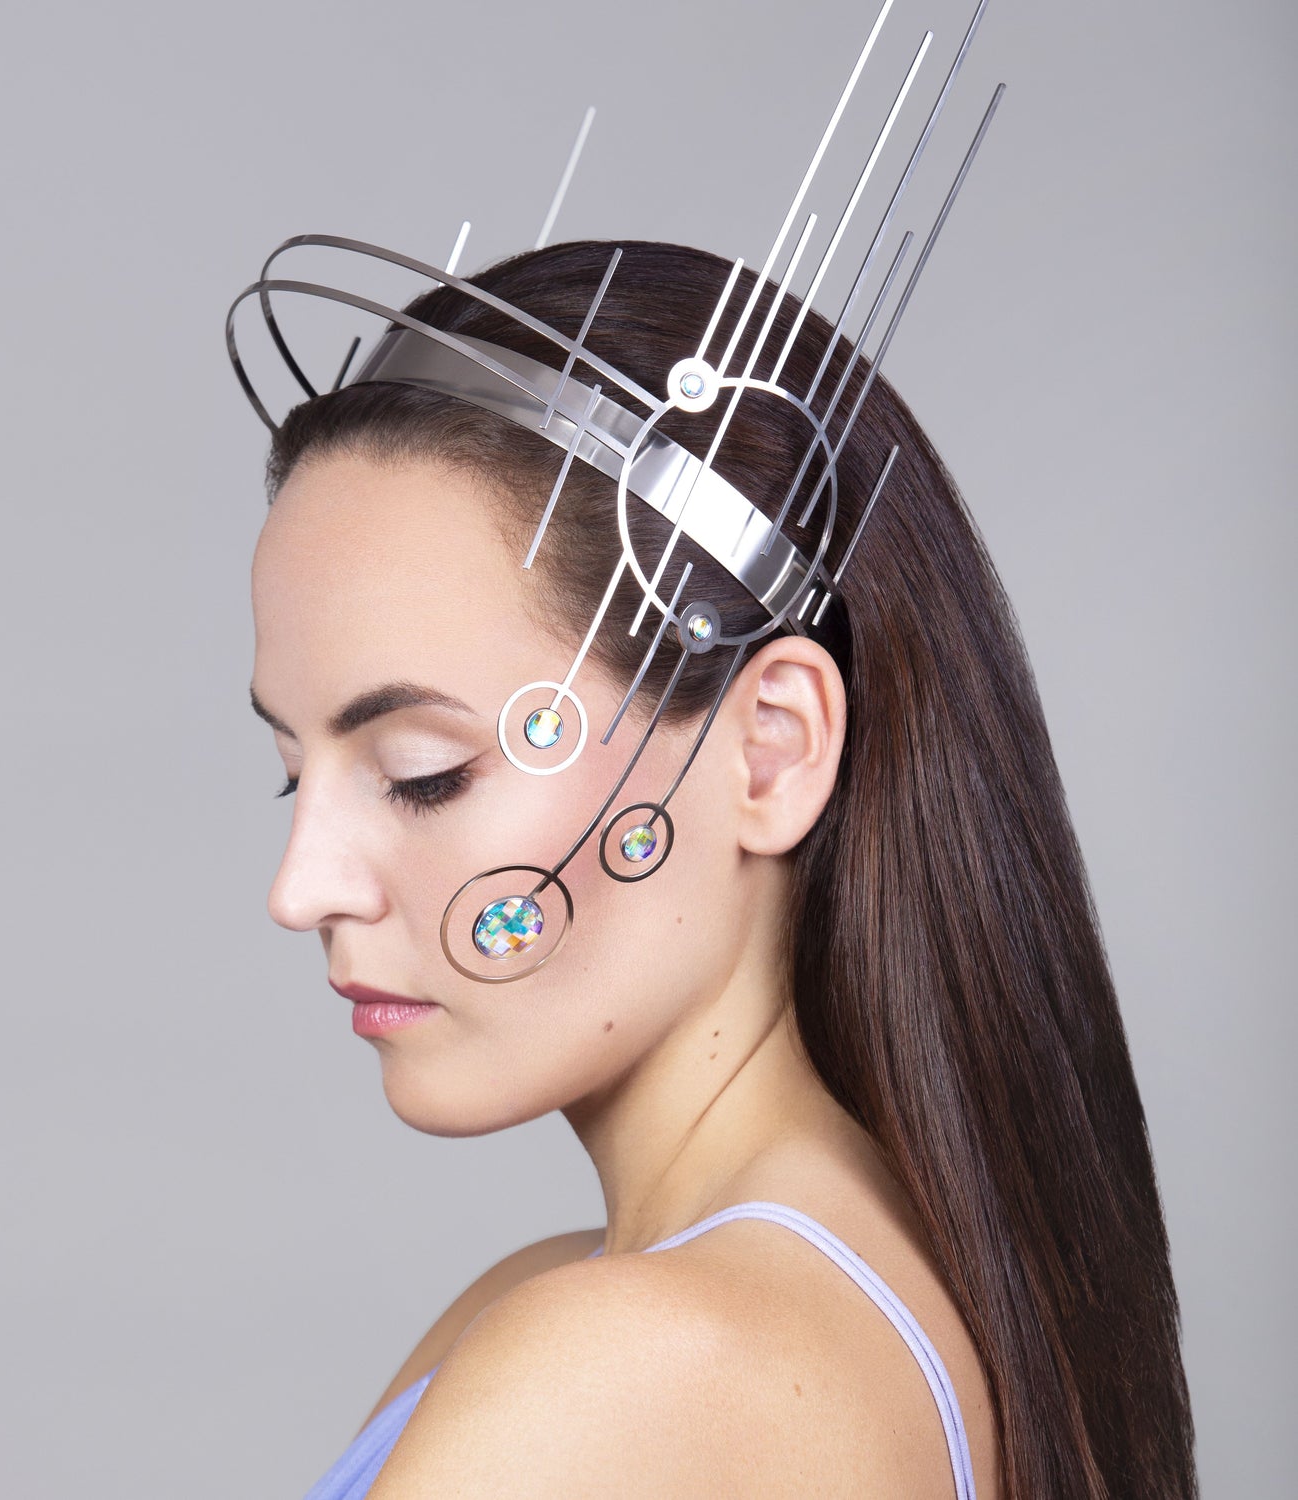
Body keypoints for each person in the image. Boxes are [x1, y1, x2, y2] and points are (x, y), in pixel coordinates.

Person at [243, 236, 1198, 1498]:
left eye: (425, 773)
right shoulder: (622, 1304)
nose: (302, 889)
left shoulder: (623, 1371)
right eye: (293, 773)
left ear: (770, 750)